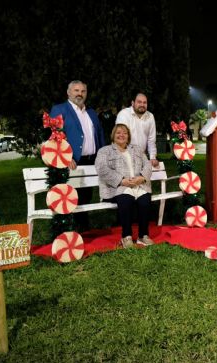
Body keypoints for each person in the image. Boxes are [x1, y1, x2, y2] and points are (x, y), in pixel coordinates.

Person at [50, 80, 105, 231]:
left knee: (86, 197)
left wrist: (102, 156)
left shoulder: (91, 113)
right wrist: (65, 158)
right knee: (70, 197)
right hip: (72, 162)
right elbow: (54, 137)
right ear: (68, 92)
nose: (80, 94)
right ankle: (69, 230)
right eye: (76, 90)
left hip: (91, 161)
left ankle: (83, 228)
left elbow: (99, 136)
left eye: (83, 91)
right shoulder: (59, 110)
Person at [95, 124, 154, 248]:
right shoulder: (104, 151)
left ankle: (143, 235)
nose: (121, 135)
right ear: (113, 135)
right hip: (117, 187)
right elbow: (101, 169)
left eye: (125, 133)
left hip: (139, 185)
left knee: (145, 202)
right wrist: (121, 181)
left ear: (128, 136)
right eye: (118, 133)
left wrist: (142, 178)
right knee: (126, 200)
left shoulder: (137, 149)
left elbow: (148, 165)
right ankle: (126, 236)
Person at [115, 92, 159, 168]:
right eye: (139, 102)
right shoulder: (124, 114)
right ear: (132, 103)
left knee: (144, 179)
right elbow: (120, 139)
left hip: (142, 159)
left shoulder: (150, 116)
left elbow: (151, 140)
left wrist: (152, 158)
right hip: (124, 159)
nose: (142, 105)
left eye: (144, 102)